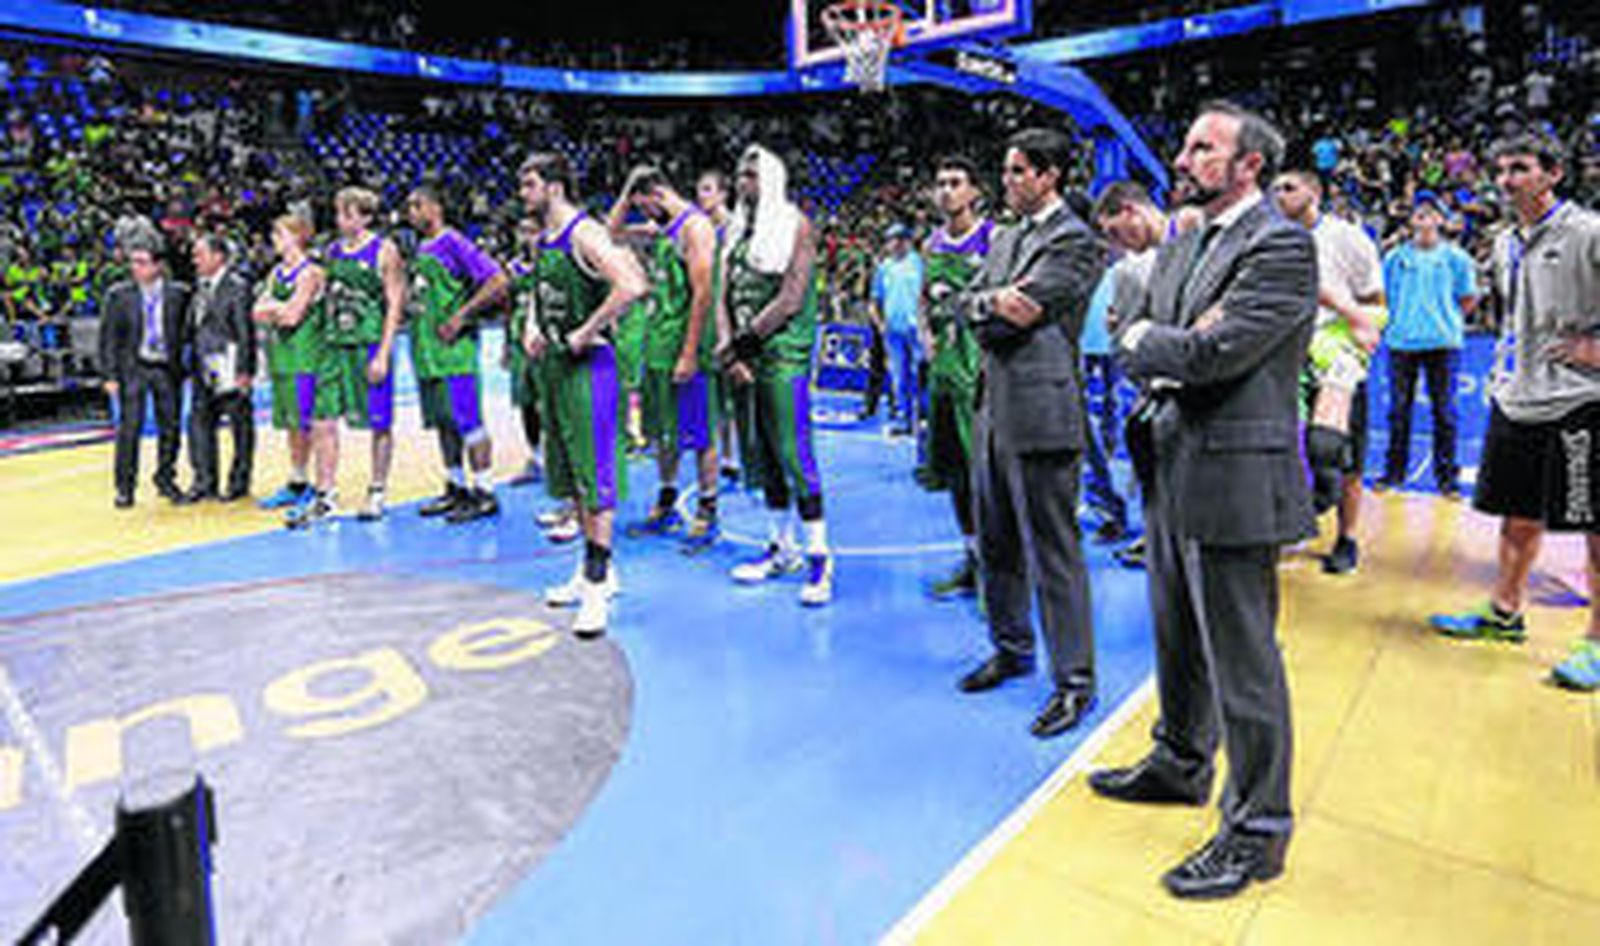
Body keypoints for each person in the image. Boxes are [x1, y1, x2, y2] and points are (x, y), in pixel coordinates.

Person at [1092, 102, 1316, 899]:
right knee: (1176, 636)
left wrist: (1158, 344)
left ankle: (1258, 832)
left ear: (1249, 164)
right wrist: (1162, 344)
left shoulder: (1283, 245)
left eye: (1203, 146)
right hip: (1172, 457)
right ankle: (1182, 762)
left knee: (1243, 664)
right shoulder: (1188, 242)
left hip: (1236, 472)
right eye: (1186, 143)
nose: (1183, 156)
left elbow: (1210, 352)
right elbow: (1157, 332)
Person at [1431, 131, 1600, 693]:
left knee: (1592, 529)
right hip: (1518, 398)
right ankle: (1505, 613)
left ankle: (1597, 644)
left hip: (1581, 402)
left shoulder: (1588, 232)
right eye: (1500, 170)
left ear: (1552, 174)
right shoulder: (1505, 241)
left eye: (1520, 168)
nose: (1506, 180)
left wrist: (1593, 351)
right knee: (1517, 515)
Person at [954, 128, 1104, 740]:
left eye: (1018, 172)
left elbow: (1017, 310)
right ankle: (1012, 649)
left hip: (1042, 412)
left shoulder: (1073, 238)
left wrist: (981, 306)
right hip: (994, 407)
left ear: (1049, 177)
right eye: (1007, 170)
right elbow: (984, 305)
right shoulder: (1010, 235)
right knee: (996, 542)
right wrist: (986, 305)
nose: (1008, 181)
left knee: (1054, 553)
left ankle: (1075, 682)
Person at [519, 151, 648, 638]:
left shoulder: (586, 233)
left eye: (529, 184)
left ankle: (596, 593)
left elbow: (634, 283)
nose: (522, 194)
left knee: (595, 482)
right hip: (555, 366)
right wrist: (534, 324)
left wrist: (586, 329)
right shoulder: (547, 239)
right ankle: (594, 571)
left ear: (553, 186)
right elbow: (540, 288)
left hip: (590, 368)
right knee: (574, 476)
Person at [719, 144, 835, 606]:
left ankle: (821, 557)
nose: (743, 181)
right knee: (761, 454)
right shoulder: (735, 231)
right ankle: (781, 547)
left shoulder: (796, 225)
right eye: (739, 173)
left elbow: (791, 298)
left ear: (770, 178)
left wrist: (741, 344)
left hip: (783, 353)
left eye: (751, 174)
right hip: (746, 355)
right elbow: (722, 296)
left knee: (793, 451)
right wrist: (732, 352)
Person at [1271, 170, 1387, 574]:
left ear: (1315, 192)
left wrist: (1358, 332)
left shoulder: (1348, 238)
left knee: (1338, 456)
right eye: (1276, 189)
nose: (1280, 195)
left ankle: (1347, 538)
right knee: (1285, 450)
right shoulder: (1269, 238)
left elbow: (1375, 301)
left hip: (1337, 355)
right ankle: (1292, 525)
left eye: (1289, 187)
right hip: (1284, 355)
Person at [615, 166, 723, 550]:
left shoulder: (695, 228)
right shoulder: (664, 228)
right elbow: (611, 234)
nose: (640, 213)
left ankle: (708, 512)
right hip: (657, 348)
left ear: (658, 194)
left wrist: (690, 352)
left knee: (699, 433)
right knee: (662, 433)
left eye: (643, 204)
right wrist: (628, 194)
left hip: (685, 349)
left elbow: (703, 293)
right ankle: (667, 503)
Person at [405, 185, 509, 524]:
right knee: (444, 423)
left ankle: (485, 491)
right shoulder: (422, 247)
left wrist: (462, 315)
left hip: (454, 354)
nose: (410, 211)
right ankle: (456, 486)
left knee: (469, 422)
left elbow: (497, 280)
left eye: (416, 205)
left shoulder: (453, 241)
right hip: (427, 352)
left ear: (435, 207)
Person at [1092, 182, 1182, 571]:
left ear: (1131, 210)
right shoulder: (1135, 265)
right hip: (1164, 383)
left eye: (1115, 232)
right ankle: (1160, 537)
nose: (1117, 243)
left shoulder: (1190, 237)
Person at [921, 155, 995, 599]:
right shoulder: (931, 244)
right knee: (955, 477)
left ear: (974, 191)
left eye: (955, 182)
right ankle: (972, 560)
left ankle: (997, 574)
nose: (946, 190)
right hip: (945, 375)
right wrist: (927, 335)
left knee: (986, 478)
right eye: (940, 182)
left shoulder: (993, 238)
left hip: (981, 376)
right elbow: (923, 301)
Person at [1377, 191, 1479, 497]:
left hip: (1443, 343)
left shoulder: (1457, 258)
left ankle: (1447, 480)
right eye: (1418, 212)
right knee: (1398, 412)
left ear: (1441, 220)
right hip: (1401, 342)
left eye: (1431, 212)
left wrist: (1446, 320)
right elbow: (1382, 296)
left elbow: (1469, 297)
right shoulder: (1394, 258)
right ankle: (1393, 474)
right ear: (1410, 221)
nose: (1424, 216)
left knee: (1445, 412)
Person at [324, 187, 407, 522]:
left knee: (379, 421)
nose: (340, 219)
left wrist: (384, 353)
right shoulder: (332, 251)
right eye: (338, 213)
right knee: (325, 418)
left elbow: (395, 303)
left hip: (369, 342)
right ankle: (326, 491)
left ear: (365, 216)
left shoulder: (384, 251)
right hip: (336, 343)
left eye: (347, 213)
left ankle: (377, 489)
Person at [253, 214, 340, 528]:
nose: (273, 238)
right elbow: (256, 311)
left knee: (313, 425)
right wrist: (279, 309)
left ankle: (322, 489)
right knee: (292, 424)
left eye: (279, 232)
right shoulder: (276, 272)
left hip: (308, 359)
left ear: (297, 235)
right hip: (282, 359)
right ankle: (298, 481)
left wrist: (275, 309)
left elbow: (291, 316)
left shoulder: (311, 272)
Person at [99, 239, 191, 508]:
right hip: (133, 368)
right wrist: (109, 375)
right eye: (133, 262)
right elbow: (108, 339)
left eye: (141, 262)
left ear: (158, 266)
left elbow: (188, 334)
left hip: (167, 368)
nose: (134, 267)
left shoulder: (180, 294)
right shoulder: (118, 295)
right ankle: (124, 488)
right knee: (129, 429)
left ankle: (166, 480)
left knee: (171, 428)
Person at [182, 232, 256, 503]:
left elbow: (244, 331)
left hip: (230, 365)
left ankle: (238, 482)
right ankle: (204, 481)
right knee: (199, 423)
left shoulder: (237, 286)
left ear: (218, 256)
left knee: (239, 425)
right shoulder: (199, 287)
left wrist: (245, 371)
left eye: (199, 254)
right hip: (204, 366)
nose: (194, 260)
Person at [871, 222, 925, 437]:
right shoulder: (884, 267)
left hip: (917, 330)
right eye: (892, 239)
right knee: (898, 378)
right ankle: (902, 420)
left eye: (901, 239)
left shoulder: (920, 263)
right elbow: (874, 300)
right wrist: (881, 326)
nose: (896, 243)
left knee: (918, 376)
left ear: (908, 241)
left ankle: (921, 419)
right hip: (893, 332)